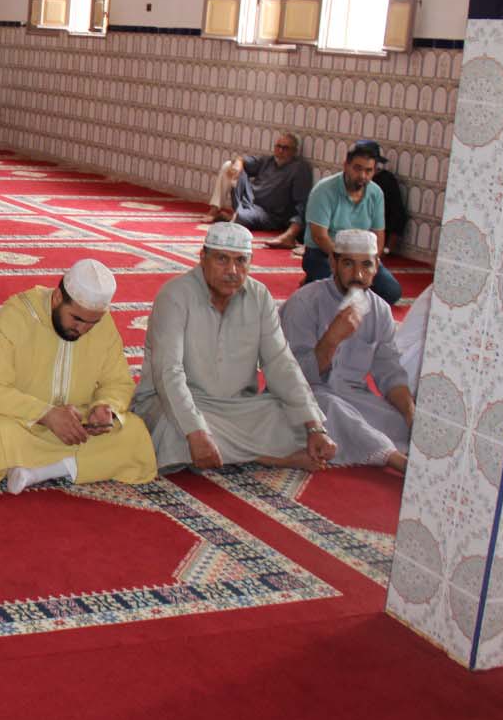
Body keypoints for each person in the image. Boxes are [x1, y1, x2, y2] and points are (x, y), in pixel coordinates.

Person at [130, 222, 337, 471]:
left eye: (241, 261)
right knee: (168, 426)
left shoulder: (259, 296)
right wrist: (195, 431)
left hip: (239, 406)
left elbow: (280, 362)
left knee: (291, 417)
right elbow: (168, 372)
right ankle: (271, 457)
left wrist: (313, 427)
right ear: (203, 258)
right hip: (177, 402)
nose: (232, 271)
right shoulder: (175, 295)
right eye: (222, 259)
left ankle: (222, 451)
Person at [0, 260, 157, 493]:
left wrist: (105, 406)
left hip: (77, 420)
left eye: (92, 323)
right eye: (77, 319)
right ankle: (70, 464)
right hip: (20, 418)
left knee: (134, 432)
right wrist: (46, 414)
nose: (82, 329)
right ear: (56, 298)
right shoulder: (15, 317)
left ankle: (36, 472)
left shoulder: (103, 324)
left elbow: (118, 382)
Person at [280, 229, 415, 471]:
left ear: (377, 266)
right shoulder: (304, 303)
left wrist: (411, 414)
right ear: (333, 263)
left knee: (401, 421)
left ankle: (375, 443)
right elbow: (292, 378)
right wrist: (332, 339)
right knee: (328, 407)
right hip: (305, 397)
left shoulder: (380, 311)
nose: (358, 275)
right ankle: (395, 459)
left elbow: (390, 373)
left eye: (366, 265)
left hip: (355, 399)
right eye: (348, 264)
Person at [302, 139, 401, 304]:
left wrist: (371, 263)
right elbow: (319, 236)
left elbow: (378, 235)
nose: (362, 176)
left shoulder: (376, 193)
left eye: (368, 171)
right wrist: (344, 261)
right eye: (357, 168)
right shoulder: (324, 190)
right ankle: (315, 281)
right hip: (326, 254)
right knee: (337, 294)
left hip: (361, 255)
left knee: (391, 292)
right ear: (346, 166)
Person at [204, 132, 311, 248]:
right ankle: (215, 210)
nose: (280, 151)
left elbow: (302, 203)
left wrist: (293, 230)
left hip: (268, 214)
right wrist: (238, 164)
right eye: (278, 146)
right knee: (229, 165)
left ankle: (233, 217)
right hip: (248, 200)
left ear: (294, 151)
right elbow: (241, 159)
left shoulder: (299, 169)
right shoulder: (267, 161)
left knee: (242, 218)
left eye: (285, 148)